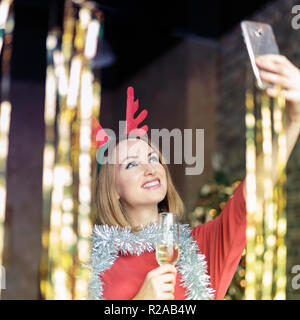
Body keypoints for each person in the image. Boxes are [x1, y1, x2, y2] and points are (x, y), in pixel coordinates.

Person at [88, 54, 300, 300]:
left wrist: (293, 121)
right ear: (113, 189)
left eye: (153, 158)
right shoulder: (95, 269)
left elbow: (250, 197)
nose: (150, 168)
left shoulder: (201, 249)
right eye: (132, 164)